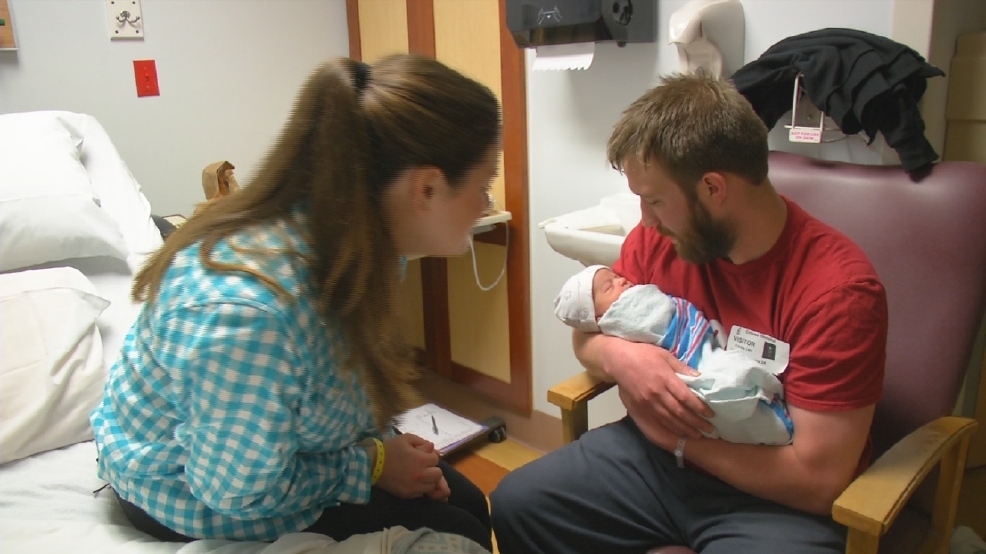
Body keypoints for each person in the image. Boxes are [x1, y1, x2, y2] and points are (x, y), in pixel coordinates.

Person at [90, 54, 500, 552]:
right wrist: (370, 466)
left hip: (284, 448)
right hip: (191, 491)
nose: (485, 204)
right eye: (482, 187)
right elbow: (235, 491)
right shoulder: (247, 315)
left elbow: (332, 377)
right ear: (427, 189)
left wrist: (382, 444)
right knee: (461, 534)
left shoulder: (369, 242)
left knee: (471, 505)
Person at [491, 73, 887, 554]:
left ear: (713, 188)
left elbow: (817, 481)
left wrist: (678, 441)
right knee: (519, 503)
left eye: (655, 200)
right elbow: (588, 334)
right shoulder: (659, 240)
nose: (645, 219)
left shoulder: (838, 293)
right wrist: (623, 359)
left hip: (771, 495)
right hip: (653, 462)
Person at [554, 264, 793, 445]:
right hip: (658, 434)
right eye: (610, 285)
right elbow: (582, 334)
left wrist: (675, 444)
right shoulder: (649, 241)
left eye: (616, 276)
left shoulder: (801, 280)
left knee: (729, 382)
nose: (622, 280)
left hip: (689, 442)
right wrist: (619, 356)